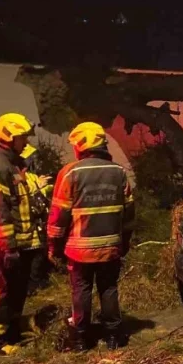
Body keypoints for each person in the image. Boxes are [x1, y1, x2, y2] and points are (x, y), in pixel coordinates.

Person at [47, 122, 134, 352]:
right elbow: (129, 213)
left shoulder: (70, 173)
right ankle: (114, 337)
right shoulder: (118, 172)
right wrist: (124, 242)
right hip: (111, 246)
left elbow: (58, 216)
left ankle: (80, 340)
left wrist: (53, 247)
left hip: (79, 250)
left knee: (81, 290)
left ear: (82, 145)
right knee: (108, 288)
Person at [0, 113, 41, 356]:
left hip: (18, 241)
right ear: (10, 138)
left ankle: (11, 333)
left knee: (15, 289)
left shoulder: (11, 163)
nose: (25, 142)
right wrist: (9, 246)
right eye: (22, 137)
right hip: (1, 243)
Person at [20, 144, 53, 294]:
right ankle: (30, 286)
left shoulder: (32, 175)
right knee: (31, 256)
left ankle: (37, 283)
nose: (34, 160)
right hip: (27, 222)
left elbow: (39, 193)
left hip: (38, 221)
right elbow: (23, 193)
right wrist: (39, 186)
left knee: (40, 253)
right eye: (31, 158)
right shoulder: (18, 175)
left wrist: (49, 187)